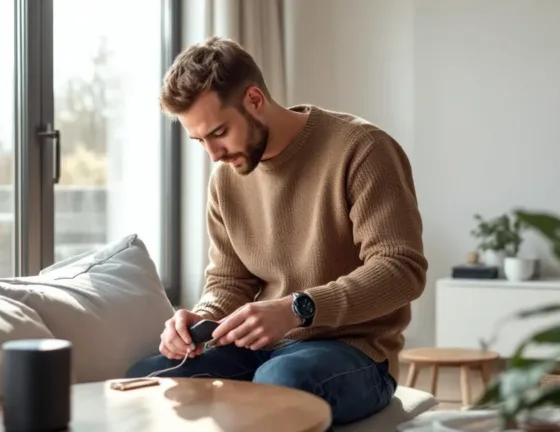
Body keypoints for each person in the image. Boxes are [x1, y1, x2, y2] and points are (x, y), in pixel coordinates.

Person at [126, 36, 428, 426]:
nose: (213, 154)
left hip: (354, 353)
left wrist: (298, 308)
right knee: (145, 379)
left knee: (278, 382)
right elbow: (229, 281)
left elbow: (402, 269)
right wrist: (198, 323)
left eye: (219, 132)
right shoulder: (226, 178)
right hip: (259, 349)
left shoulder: (362, 149)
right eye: (199, 140)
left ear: (254, 99)